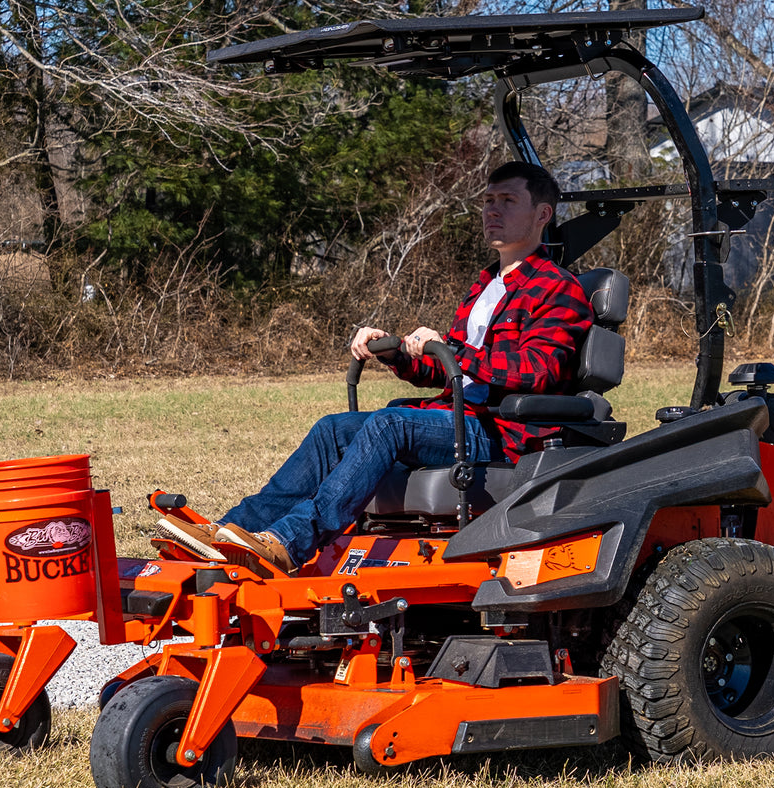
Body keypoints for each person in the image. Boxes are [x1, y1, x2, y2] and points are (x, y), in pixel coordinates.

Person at [155, 161, 593, 572]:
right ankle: (231, 535)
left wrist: (451, 351)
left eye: (507, 201)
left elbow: (538, 371)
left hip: (502, 434)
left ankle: (289, 543)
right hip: (460, 417)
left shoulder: (558, 289)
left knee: (389, 424)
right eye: (488, 200)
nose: (491, 210)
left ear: (542, 215)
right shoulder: (486, 286)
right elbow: (448, 375)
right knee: (333, 428)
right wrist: (398, 353)